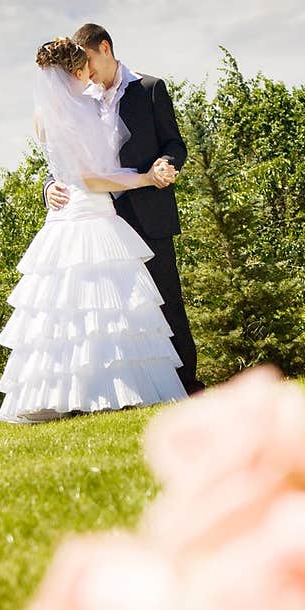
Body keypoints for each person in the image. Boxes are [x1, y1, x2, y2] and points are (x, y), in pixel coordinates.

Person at [0, 37, 187, 425]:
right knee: (107, 305)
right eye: (82, 66)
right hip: (93, 211)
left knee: (74, 309)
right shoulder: (76, 109)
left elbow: (165, 143)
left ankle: (79, 392)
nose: (89, 72)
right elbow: (85, 175)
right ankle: (109, 391)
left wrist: (157, 170)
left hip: (100, 216)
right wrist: (145, 179)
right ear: (77, 70)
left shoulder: (52, 110)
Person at [45, 22, 204, 396]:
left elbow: (174, 143)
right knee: (114, 312)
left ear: (105, 48)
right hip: (101, 218)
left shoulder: (150, 89)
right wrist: (49, 185)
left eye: (85, 61)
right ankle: (133, 389)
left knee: (166, 302)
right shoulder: (79, 99)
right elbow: (65, 158)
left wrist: (166, 164)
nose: (82, 73)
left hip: (149, 212)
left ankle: (187, 386)